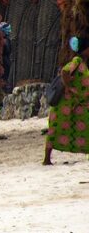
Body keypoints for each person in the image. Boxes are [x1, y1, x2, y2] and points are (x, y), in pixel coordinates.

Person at [44, 32, 89, 165]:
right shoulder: (77, 61)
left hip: (77, 105)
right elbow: (64, 71)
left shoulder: (82, 63)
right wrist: (67, 85)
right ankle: (46, 159)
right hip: (66, 105)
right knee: (55, 131)